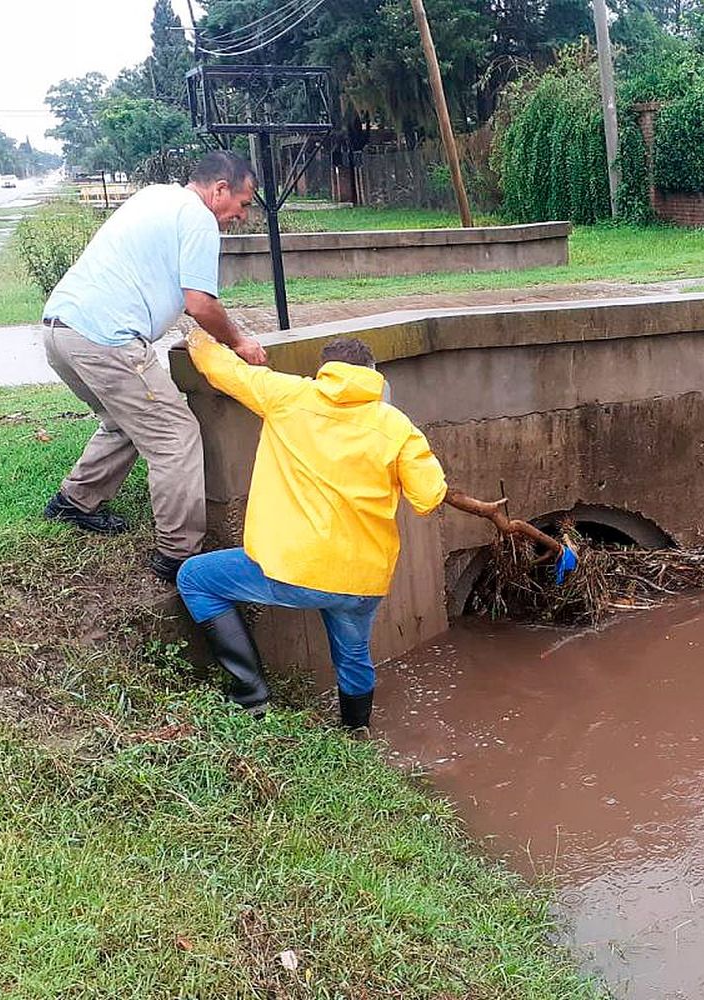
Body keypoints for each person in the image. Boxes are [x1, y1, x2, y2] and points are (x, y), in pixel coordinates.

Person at [175, 331, 533, 729]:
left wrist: (197, 338)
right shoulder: (396, 426)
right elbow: (428, 497)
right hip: (361, 580)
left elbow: (222, 370)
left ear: (325, 371)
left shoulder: (286, 395)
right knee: (353, 655)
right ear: (373, 376)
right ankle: (356, 729)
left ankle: (250, 693)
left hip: (292, 570)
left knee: (194, 578)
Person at [40, 150, 269, 583]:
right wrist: (238, 340)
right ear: (220, 189)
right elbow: (199, 303)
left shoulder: (155, 197)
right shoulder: (198, 218)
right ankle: (178, 554)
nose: (240, 215)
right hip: (106, 339)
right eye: (241, 204)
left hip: (60, 331)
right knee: (175, 436)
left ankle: (75, 502)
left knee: (123, 420)